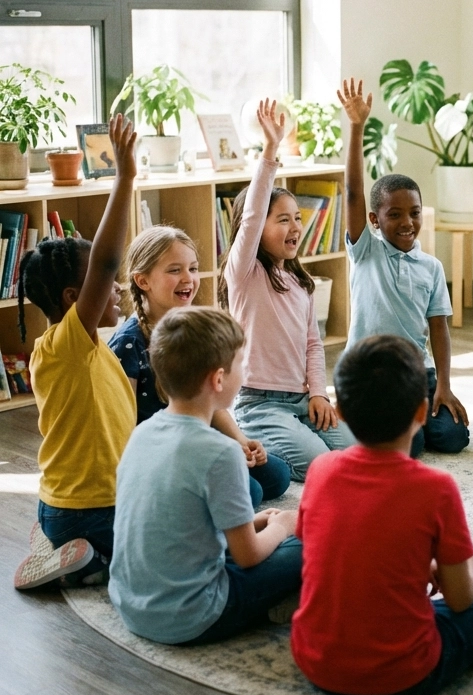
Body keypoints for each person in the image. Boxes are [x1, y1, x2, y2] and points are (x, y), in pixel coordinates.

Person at [291, 335, 473, 695]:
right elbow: (461, 599)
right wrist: (452, 564)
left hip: (314, 662)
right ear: (422, 413)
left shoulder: (321, 471)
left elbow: (326, 546)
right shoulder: (435, 488)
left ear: (340, 412)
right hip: (403, 674)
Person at [109, 308, 301, 644]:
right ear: (218, 379)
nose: (245, 372)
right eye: (241, 364)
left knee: (269, 533)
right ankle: (270, 603)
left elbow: (177, 523)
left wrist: (253, 521)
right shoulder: (221, 452)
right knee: (306, 543)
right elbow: (249, 555)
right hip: (191, 617)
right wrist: (281, 526)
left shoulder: (142, 433)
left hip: (131, 606)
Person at [13, 116, 137, 591]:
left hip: (71, 503)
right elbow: (106, 260)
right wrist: (125, 177)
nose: (116, 287)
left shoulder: (84, 349)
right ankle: (81, 560)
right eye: (105, 286)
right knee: (175, 546)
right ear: (72, 298)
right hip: (87, 508)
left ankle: (57, 542)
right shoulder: (68, 343)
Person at [108, 225, 291, 507]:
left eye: (193, 269)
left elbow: (211, 401)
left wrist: (240, 441)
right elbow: (121, 427)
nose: (188, 279)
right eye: (174, 270)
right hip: (161, 452)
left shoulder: (193, 326)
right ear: (142, 280)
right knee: (250, 493)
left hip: (199, 437)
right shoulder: (127, 345)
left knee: (277, 475)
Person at [221, 98, 354, 481]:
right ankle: (239, 435)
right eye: (282, 220)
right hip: (259, 405)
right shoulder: (244, 274)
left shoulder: (300, 283)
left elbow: (313, 344)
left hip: (302, 400)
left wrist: (318, 394)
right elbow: (250, 214)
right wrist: (271, 149)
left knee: (356, 456)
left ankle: (300, 427)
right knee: (324, 469)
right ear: (258, 228)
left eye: (298, 218)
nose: (295, 227)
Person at [337, 78, 468, 456]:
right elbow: (352, 192)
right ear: (375, 221)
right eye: (394, 215)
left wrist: (443, 383)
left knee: (454, 438)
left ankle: (417, 414)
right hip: (370, 374)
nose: (407, 222)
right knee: (410, 447)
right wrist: (357, 126)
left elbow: (439, 327)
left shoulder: (430, 266)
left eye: (413, 213)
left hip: (416, 375)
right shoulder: (366, 252)